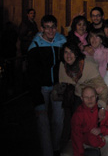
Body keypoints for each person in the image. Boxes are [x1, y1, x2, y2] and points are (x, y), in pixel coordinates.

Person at [27, 14, 67, 156]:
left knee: (58, 120)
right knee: (43, 122)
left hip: (57, 87)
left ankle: (55, 148)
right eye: (47, 27)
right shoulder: (35, 46)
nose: (51, 31)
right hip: (42, 88)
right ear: (41, 28)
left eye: (53, 27)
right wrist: (37, 101)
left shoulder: (62, 41)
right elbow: (31, 75)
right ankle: (48, 152)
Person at [70, 86, 108, 156]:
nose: (90, 99)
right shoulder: (78, 114)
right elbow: (76, 137)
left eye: (92, 96)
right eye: (86, 97)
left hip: (100, 140)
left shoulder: (102, 111)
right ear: (81, 98)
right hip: (85, 143)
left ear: (96, 97)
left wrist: (100, 130)